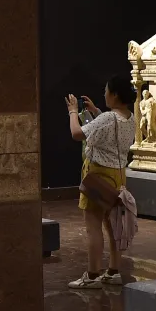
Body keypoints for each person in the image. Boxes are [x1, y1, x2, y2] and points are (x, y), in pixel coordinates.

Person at [66, 75, 137, 288]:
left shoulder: (107, 118)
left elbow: (77, 133)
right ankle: (113, 271)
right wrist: (96, 111)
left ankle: (92, 275)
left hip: (98, 175)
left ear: (114, 95)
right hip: (118, 176)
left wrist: (72, 112)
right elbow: (112, 130)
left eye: (106, 91)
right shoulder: (130, 117)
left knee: (93, 226)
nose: (104, 94)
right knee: (113, 224)